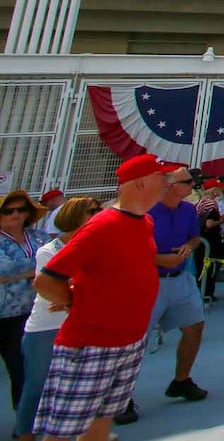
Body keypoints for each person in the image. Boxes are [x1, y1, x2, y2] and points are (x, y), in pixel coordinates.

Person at [31, 154, 179, 441]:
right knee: (63, 432)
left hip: (129, 342)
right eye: (163, 176)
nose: (168, 182)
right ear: (140, 184)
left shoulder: (144, 222)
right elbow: (47, 279)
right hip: (91, 345)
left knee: (101, 424)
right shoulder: (103, 226)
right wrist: (77, 301)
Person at [130, 164, 209, 426]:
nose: (192, 187)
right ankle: (121, 396)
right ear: (171, 186)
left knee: (195, 327)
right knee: (135, 341)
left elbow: (195, 238)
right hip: (149, 280)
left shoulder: (187, 210)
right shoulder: (146, 212)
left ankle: (181, 380)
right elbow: (134, 248)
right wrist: (160, 259)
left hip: (179, 278)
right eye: (187, 182)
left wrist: (188, 246)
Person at [15, 196, 99, 441]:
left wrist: (72, 294)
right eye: (91, 211)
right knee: (36, 385)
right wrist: (76, 294)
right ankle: (26, 435)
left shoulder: (95, 248)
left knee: (80, 385)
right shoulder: (48, 251)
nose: (97, 215)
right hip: (46, 328)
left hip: (79, 324)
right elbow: (51, 287)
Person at [0, 190, 47, 411]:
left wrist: (17, 273)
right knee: (18, 369)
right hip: (5, 316)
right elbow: (3, 268)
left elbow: (55, 260)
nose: (16, 214)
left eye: (22, 209)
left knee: (35, 368)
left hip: (39, 311)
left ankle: (30, 419)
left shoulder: (39, 236)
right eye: (9, 211)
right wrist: (36, 268)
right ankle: (24, 421)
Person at [196, 177, 224, 302]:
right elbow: (209, 224)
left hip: (202, 240)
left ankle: (203, 292)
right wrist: (220, 220)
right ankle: (207, 293)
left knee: (202, 267)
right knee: (209, 268)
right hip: (209, 240)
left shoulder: (201, 202)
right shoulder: (210, 203)